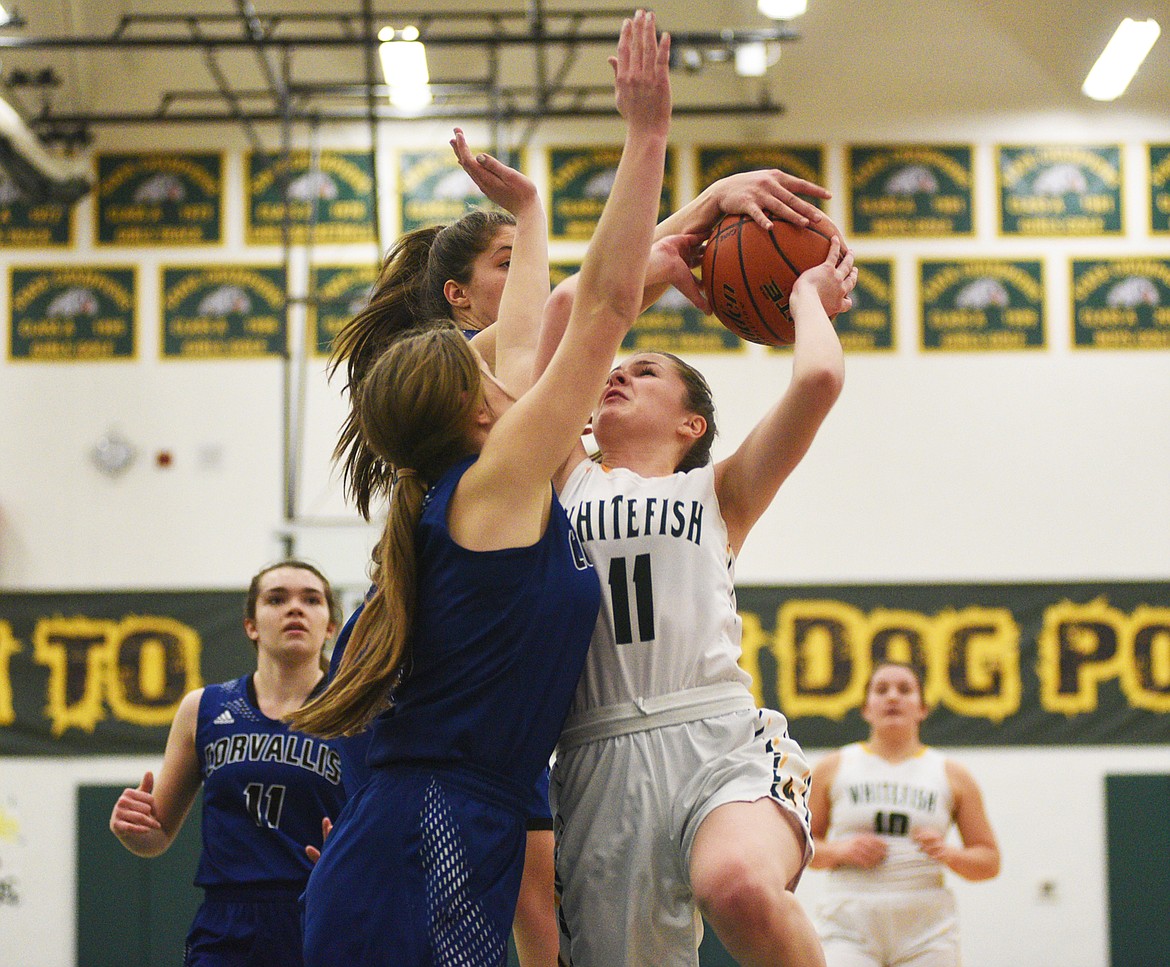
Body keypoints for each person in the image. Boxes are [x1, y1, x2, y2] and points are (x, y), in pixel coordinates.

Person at [288, 11, 674, 965]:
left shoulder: (476, 483)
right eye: (492, 371)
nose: (516, 371)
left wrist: (533, 214)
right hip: (427, 833)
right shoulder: (494, 481)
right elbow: (605, 307)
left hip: (443, 826)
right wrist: (647, 131)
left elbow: (531, 332)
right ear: (475, 411)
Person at [543, 190, 857, 964]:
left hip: (716, 735)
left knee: (738, 886)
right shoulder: (561, 474)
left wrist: (806, 298)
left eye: (645, 371)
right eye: (614, 369)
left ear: (692, 425)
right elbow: (566, 310)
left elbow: (816, 380)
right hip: (596, 751)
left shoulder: (720, 490)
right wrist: (702, 210)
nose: (618, 374)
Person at [108, 561, 347, 967]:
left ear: (329, 627)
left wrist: (358, 861)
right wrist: (134, 830)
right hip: (227, 922)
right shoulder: (203, 708)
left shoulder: (358, 709)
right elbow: (158, 834)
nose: (295, 608)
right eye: (277, 599)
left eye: (311, 599)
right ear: (251, 625)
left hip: (324, 910)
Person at [806, 661, 1001, 967]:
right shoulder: (834, 766)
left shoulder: (952, 774)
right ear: (866, 708)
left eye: (905, 690)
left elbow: (989, 861)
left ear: (922, 708)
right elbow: (801, 848)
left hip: (926, 927)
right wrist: (840, 850)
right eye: (881, 690)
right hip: (849, 921)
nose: (893, 697)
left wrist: (948, 853)